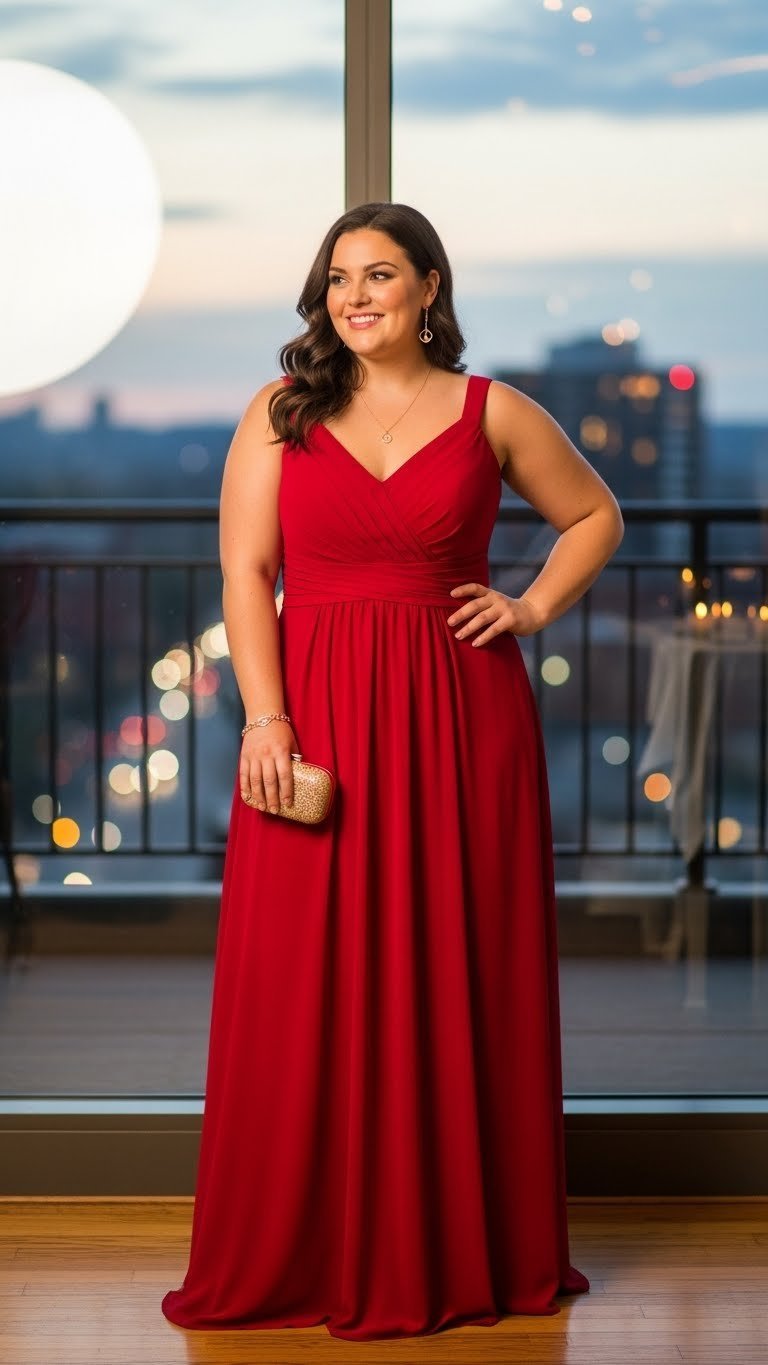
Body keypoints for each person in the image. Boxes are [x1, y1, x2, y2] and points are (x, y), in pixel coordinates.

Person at [161, 200, 623, 1342]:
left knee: (461, 961)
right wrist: (266, 723)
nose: (354, 296)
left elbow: (596, 516)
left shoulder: (494, 411)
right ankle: (308, 1243)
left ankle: (458, 1241)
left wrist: (528, 605)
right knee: (299, 972)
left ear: (427, 287)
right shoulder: (279, 414)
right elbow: (245, 576)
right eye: (336, 280)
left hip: (465, 719)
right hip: (313, 721)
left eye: (378, 275)